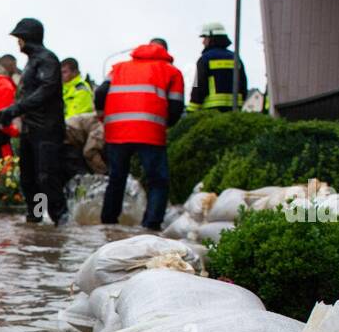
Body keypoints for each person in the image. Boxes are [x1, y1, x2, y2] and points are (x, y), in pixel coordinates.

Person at [0, 18, 68, 224]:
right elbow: (29, 95)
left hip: (47, 130)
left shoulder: (47, 59)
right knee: (29, 178)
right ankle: (36, 217)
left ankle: (60, 221)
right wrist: (9, 113)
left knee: (46, 177)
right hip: (30, 129)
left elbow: (46, 90)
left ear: (27, 38)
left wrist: (15, 109)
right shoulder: (32, 62)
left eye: (19, 38)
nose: (18, 43)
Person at [101, 40, 185, 229]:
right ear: (165, 51)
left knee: (116, 178)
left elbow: (100, 93)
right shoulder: (171, 71)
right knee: (157, 180)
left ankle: (107, 223)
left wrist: (104, 119)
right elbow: (176, 106)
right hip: (150, 131)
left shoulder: (118, 68)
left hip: (117, 131)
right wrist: (164, 125)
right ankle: (151, 225)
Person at [189, 24, 247, 112]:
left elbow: (199, 86)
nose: (203, 42)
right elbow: (243, 84)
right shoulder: (236, 58)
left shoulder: (204, 59)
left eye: (205, 38)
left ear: (212, 38)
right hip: (234, 111)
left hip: (212, 111)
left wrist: (191, 109)